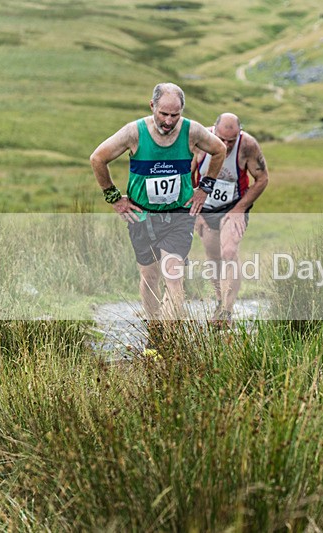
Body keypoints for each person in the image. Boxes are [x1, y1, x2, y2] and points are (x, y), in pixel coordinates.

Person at [90, 82, 226, 348]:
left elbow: (219, 150)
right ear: (152, 106)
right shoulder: (134, 132)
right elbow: (98, 158)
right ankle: (155, 332)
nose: (168, 121)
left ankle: (169, 344)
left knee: (173, 277)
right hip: (141, 216)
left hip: (178, 215)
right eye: (163, 114)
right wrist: (114, 198)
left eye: (174, 115)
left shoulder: (192, 131)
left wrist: (204, 188)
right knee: (150, 276)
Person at [192, 112, 270, 324]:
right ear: (214, 130)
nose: (225, 145)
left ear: (239, 134)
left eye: (231, 141)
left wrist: (240, 208)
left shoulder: (248, 145)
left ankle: (227, 310)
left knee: (229, 251)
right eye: (221, 139)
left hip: (233, 206)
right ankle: (219, 302)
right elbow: (187, 174)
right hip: (206, 206)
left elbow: (262, 178)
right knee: (212, 254)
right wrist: (196, 213)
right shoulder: (199, 140)